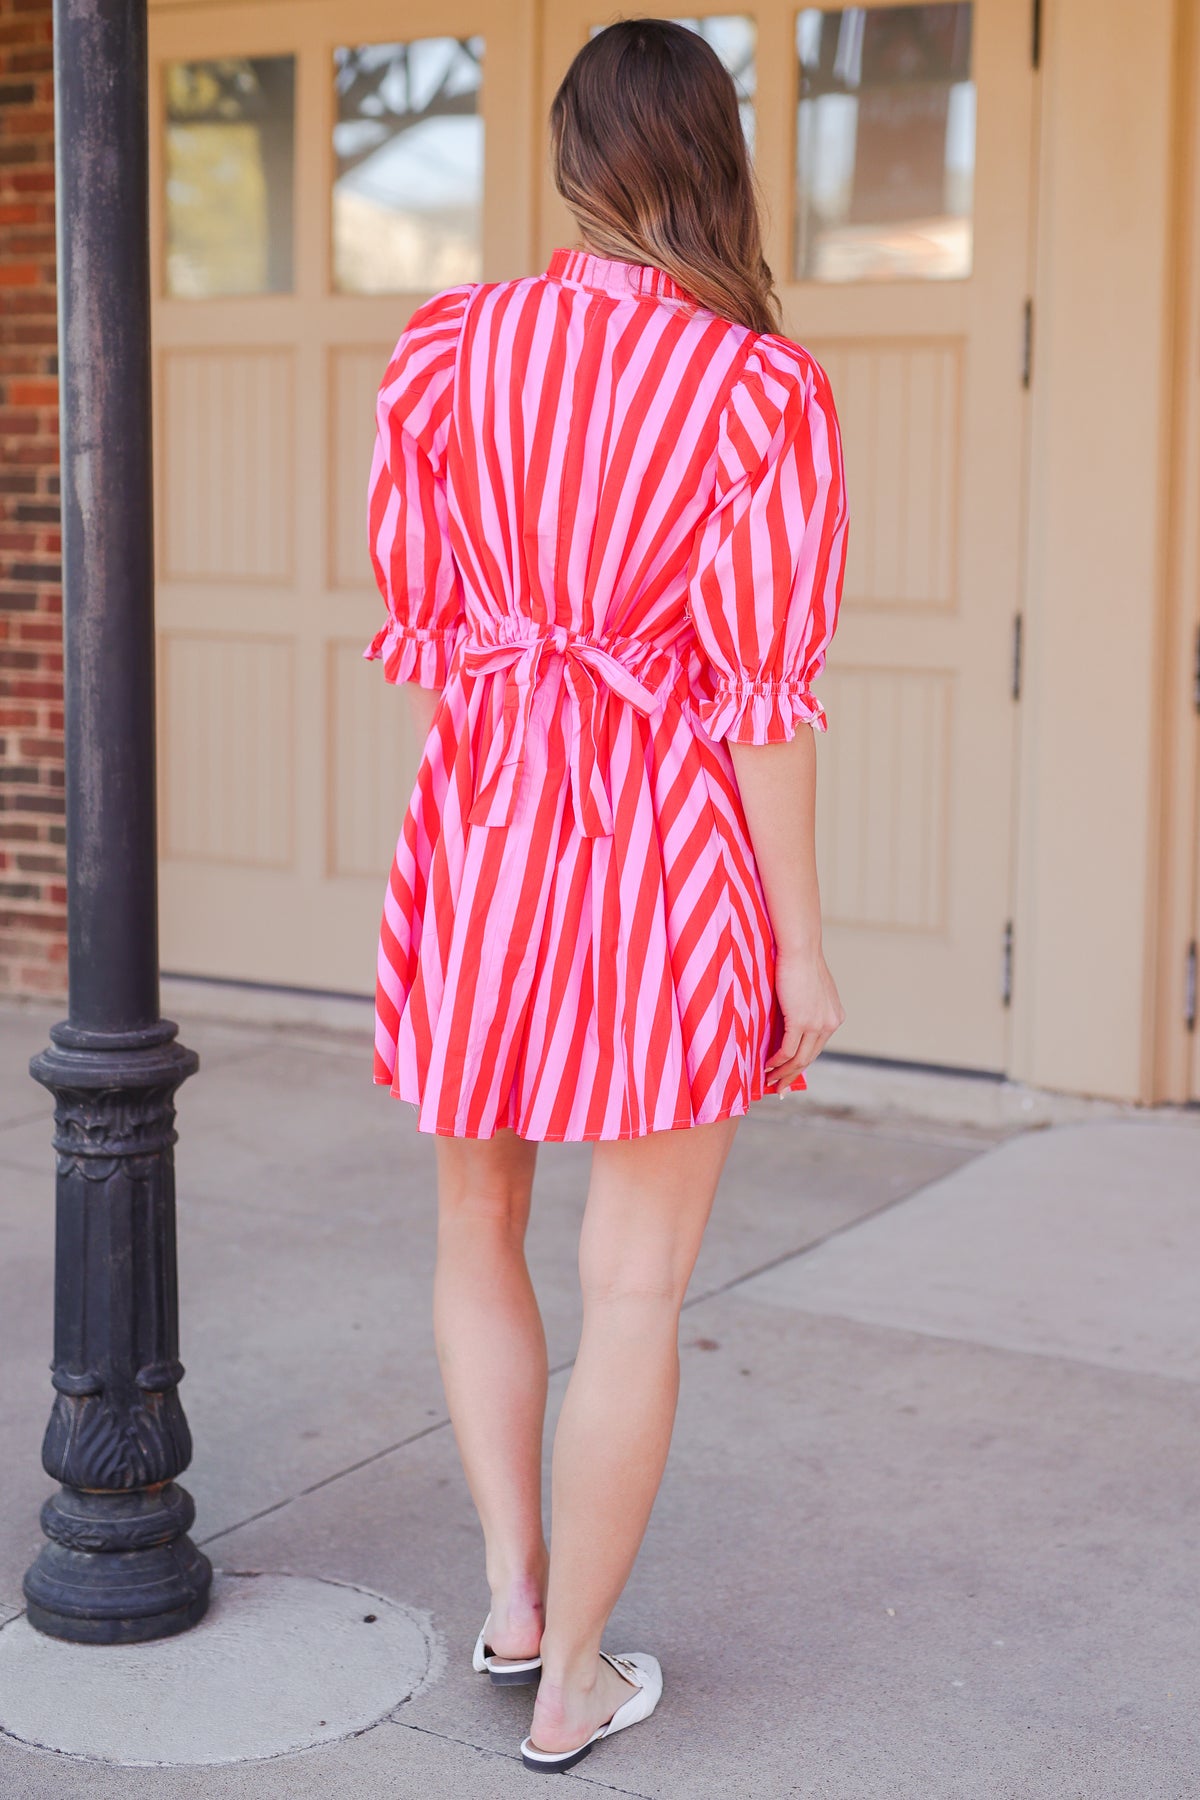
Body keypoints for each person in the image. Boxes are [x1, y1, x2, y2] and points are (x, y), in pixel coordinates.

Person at [363, 17, 848, 1776]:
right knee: (634, 1285)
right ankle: (571, 1679)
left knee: (472, 1226)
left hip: (490, 827)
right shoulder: (762, 391)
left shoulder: (451, 346)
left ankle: (514, 1596)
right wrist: (800, 950)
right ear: (715, 157)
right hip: (663, 855)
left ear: (573, 160)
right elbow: (764, 704)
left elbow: (427, 618)